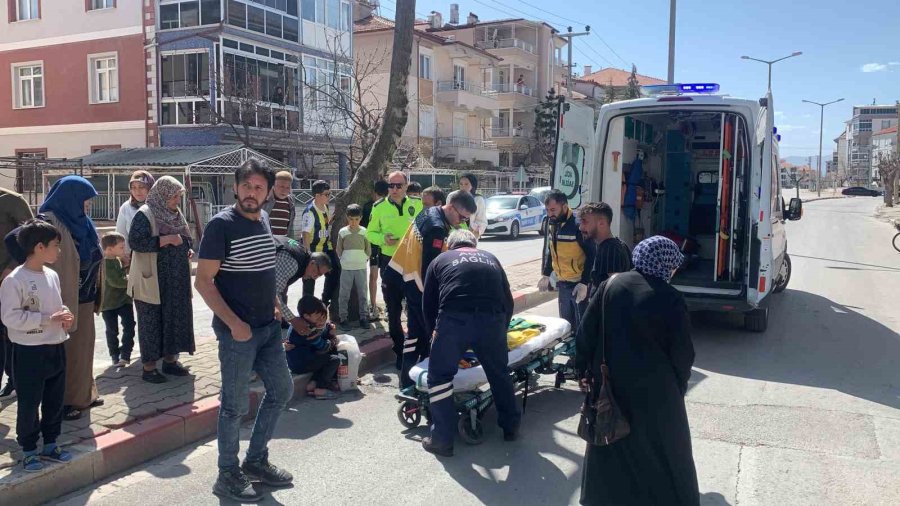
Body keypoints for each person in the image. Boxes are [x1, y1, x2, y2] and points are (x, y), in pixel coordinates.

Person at [196, 159, 294, 502]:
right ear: (235, 188)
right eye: (246, 186)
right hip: (237, 333)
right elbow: (204, 282)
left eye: (258, 187)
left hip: (267, 328)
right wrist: (234, 323)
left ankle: (255, 461)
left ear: (268, 194)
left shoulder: (264, 219)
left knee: (282, 391)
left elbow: (264, 266)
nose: (251, 193)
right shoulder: (221, 226)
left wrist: (275, 302)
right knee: (233, 406)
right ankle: (227, 473)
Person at [576, 236, 699, 505]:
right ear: (665, 264)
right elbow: (682, 352)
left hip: (610, 384)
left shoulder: (610, 285)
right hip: (657, 391)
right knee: (665, 449)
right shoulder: (670, 297)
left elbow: (586, 332)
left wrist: (583, 371)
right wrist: (678, 385)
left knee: (610, 444)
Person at [420, 229, 519, 457]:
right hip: (492, 319)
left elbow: (429, 305)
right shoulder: (491, 258)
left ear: (449, 245)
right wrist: (500, 330)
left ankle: (442, 439)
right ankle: (511, 426)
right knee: (498, 373)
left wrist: (433, 337)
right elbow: (508, 300)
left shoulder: (440, 260)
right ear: (474, 244)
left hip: (454, 320)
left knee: (439, 377)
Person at [0, 219, 75, 472]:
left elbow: (56, 305)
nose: (59, 250)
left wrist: (64, 314)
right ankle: (29, 449)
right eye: (56, 245)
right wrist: (46, 320)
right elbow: (10, 318)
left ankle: (51, 443)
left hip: (55, 346)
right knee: (30, 402)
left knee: (55, 400)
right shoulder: (14, 280)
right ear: (39, 247)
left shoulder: (52, 275)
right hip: (29, 351)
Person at [389, 191, 475, 388]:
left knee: (414, 336)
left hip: (406, 278)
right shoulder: (437, 228)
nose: (461, 223)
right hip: (419, 286)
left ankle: (408, 381)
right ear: (450, 207)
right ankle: (423, 382)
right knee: (429, 334)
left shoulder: (430, 212)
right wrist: (437, 299)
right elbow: (431, 268)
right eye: (461, 217)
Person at [39, 176, 103, 421]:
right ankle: (64, 402)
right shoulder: (49, 222)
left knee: (83, 348)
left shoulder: (83, 222)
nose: (87, 205)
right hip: (63, 298)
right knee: (65, 352)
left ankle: (84, 394)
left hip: (85, 296)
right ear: (70, 198)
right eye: (85, 200)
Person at [128, 176, 195, 384]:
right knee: (151, 322)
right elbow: (136, 242)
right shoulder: (145, 214)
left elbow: (185, 237)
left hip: (175, 280)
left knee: (174, 319)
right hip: (153, 280)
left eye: (178, 196)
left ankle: (170, 361)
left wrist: (187, 248)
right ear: (162, 195)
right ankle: (149, 368)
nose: (176, 200)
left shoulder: (175, 213)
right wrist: (166, 240)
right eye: (173, 196)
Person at [366, 171, 423, 368]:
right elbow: (370, 233)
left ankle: (419, 349)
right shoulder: (379, 207)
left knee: (416, 307)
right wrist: (383, 239)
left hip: (413, 261)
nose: (395, 189)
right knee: (393, 309)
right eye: (391, 185)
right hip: (390, 262)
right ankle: (399, 351)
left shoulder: (417, 205)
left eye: (399, 185)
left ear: (406, 186)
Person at [539, 189, 591, 332]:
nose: (550, 214)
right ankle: (571, 354)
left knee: (582, 326)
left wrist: (584, 283)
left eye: (553, 210)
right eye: (547, 210)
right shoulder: (553, 223)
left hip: (578, 284)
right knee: (566, 324)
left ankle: (583, 354)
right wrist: (546, 274)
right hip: (563, 283)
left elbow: (592, 254)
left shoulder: (577, 224)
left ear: (564, 206)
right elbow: (552, 250)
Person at [0, 187, 33, 399]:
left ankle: (16, 380)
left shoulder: (11, 200)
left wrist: (11, 267)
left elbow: (30, 236)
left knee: (11, 332)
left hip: (8, 279)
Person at [284, 296, 340, 400]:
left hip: (305, 358)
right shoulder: (307, 329)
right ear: (307, 316)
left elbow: (324, 329)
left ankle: (313, 382)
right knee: (334, 359)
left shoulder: (299, 321)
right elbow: (324, 346)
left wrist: (329, 328)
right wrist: (333, 338)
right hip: (301, 363)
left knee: (326, 356)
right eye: (319, 318)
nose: (322, 320)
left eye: (324, 317)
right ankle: (320, 388)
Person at [274, 236, 331, 337]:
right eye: (317, 273)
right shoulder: (292, 263)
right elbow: (273, 294)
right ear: (312, 263)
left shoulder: (303, 255)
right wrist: (293, 319)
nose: (315, 278)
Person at [300, 180, 341, 309]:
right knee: (309, 278)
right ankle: (307, 307)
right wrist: (307, 255)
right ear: (317, 196)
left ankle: (325, 299)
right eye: (326, 194)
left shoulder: (325, 206)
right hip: (313, 250)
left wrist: (334, 217)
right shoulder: (309, 212)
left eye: (329, 194)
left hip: (326, 247)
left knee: (335, 271)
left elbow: (325, 221)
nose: (329, 197)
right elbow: (305, 234)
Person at [577, 202, 632, 297]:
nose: (580, 227)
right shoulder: (612, 245)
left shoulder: (611, 249)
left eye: (585, 222)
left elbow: (615, 291)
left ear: (601, 223)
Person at [99, 232, 135, 367]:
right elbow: (116, 282)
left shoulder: (118, 260)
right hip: (109, 303)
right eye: (120, 247)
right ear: (109, 249)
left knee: (129, 326)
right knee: (112, 330)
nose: (124, 250)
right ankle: (115, 355)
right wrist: (131, 280)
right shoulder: (105, 264)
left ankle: (125, 354)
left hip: (124, 301)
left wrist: (126, 266)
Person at [336, 204, 371, 331]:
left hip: (361, 267)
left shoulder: (364, 232)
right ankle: (343, 318)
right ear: (347, 217)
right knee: (344, 294)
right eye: (351, 219)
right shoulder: (343, 232)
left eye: (356, 219)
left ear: (360, 218)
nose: (353, 222)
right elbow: (339, 249)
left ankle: (363, 318)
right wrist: (344, 260)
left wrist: (363, 258)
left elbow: (368, 249)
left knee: (362, 293)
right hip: (346, 268)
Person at [362, 180, 389, 321]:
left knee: (374, 276)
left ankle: (373, 306)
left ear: (374, 192)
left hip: (373, 246)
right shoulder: (388, 206)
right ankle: (382, 306)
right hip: (382, 246)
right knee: (383, 277)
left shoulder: (367, 206)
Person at [115, 171, 154, 259]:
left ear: (150, 187)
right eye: (133, 187)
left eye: (141, 187)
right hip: (135, 258)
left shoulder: (158, 206)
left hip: (158, 257)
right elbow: (121, 234)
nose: (137, 191)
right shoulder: (126, 208)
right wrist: (125, 256)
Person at [262, 170, 295, 238]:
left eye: (287, 187)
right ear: (273, 185)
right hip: (268, 242)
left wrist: (291, 242)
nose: (284, 190)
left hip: (282, 244)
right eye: (281, 186)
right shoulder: (265, 200)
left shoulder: (290, 203)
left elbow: (290, 227)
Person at [458, 173, 487, 238]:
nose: (463, 186)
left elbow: (482, 220)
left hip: (471, 235)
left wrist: (474, 235)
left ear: (472, 185)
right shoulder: (452, 196)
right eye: (461, 184)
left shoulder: (478, 199)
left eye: (466, 184)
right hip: (455, 234)